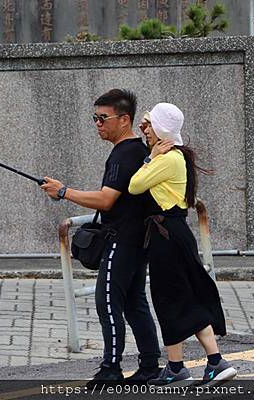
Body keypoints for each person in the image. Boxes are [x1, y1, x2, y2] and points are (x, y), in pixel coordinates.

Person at [40, 89, 161, 385]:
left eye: (102, 118)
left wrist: (64, 192)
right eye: (94, 118)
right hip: (138, 240)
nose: (97, 123)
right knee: (134, 302)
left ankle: (111, 368)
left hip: (123, 240)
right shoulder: (136, 150)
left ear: (124, 119)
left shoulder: (126, 153)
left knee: (107, 301)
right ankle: (149, 366)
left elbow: (107, 200)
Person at [128, 103, 238, 385]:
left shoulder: (166, 159)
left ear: (162, 129)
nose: (145, 130)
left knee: (168, 298)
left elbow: (135, 185)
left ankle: (183, 367)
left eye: (148, 125)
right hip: (175, 233)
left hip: (167, 236)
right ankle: (209, 362)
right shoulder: (179, 156)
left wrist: (149, 158)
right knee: (185, 297)